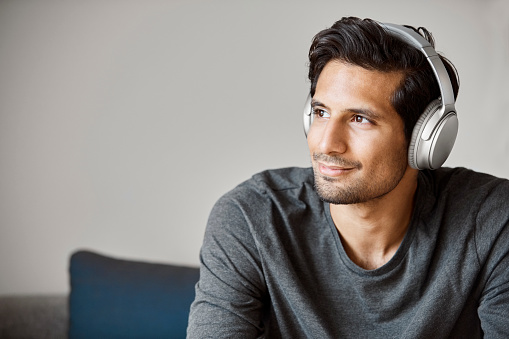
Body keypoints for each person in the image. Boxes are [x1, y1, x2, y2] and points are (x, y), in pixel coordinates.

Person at [187, 17, 509, 338]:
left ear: (424, 140)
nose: (326, 144)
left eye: (360, 119)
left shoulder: (492, 222)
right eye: (321, 113)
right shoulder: (251, 218)